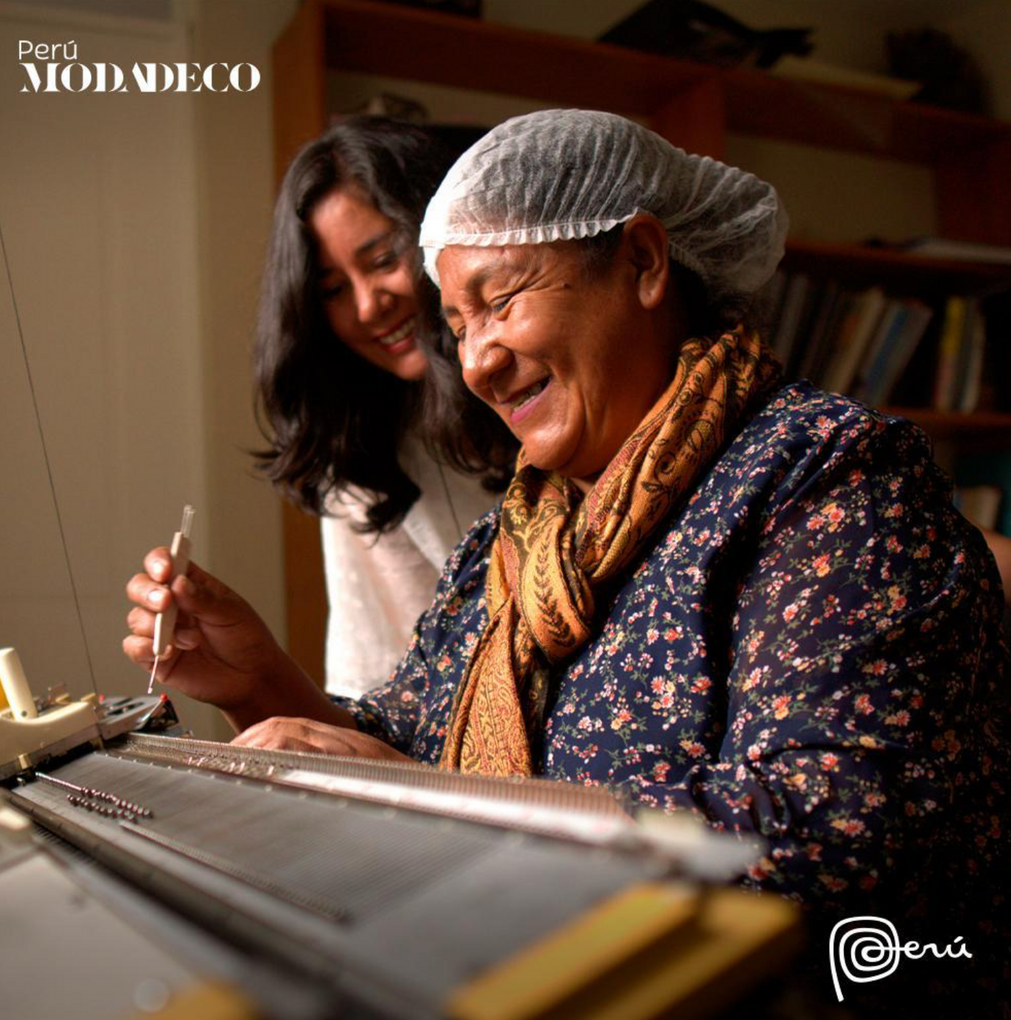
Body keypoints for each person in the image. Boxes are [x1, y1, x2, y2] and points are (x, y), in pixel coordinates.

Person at [126, 110, 1008, 1016]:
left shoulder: (827, 477)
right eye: (457, 324)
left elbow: (830, 835)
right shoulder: (516, 536)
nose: (475, 364)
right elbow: (409, 736)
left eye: (501, 300)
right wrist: (256, 682)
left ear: (643, 262)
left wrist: (448, 806)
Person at [253, 116, 512, 697]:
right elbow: (376, 684)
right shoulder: (360, 456)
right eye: (333, 290)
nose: (369, 307)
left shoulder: (554, 386)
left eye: (381, 260)